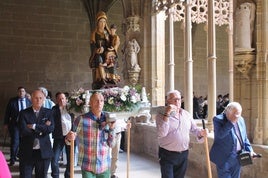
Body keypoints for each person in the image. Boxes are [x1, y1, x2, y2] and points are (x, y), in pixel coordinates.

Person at [155, 90, 207, 178]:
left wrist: (201, 133)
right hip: (167, 154)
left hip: (183, 154)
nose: (177, 101)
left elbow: (194, 129)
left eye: (178, 99)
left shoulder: (186, 115)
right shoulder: (161, 115)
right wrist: (167, 114)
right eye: (174, 99)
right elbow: (161, 133)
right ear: (168, 101)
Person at [66, 92, 116, 178]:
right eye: (96, 100)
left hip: (104, 165)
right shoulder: (81, 119)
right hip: (87, 165)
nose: (99, 103)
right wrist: (69, 138)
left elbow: (111, 144)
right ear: (90, 103)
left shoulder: (108, 120)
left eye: (101, 101)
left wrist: (111, 129)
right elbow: (68, 140)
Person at [210, 102, 257, 178]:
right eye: (235, 114)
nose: (237, 116)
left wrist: (250, 150)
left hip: (238, 157)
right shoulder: (218, 119)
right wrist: (231, 122)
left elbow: (244, 138)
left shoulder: (241, 120)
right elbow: (220, 135)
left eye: (239, 114)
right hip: (224, 158)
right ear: (228, 112)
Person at [18, 89, 54, 178]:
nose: (38, 100)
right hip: (27, 151)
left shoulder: (49, 112)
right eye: (36, 98)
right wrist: (42, 129)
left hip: (43, 152)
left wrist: (34, 126)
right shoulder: (24, 113)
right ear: (31, 99)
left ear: (44, 99)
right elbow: (23, 130)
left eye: (40, 98)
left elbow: (50, 128)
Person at [3, 86, 32, 166]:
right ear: (17, 92)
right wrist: (6, 123)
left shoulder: (28, 101)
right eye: (19, 91)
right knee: (15, 142)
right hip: (15, 124)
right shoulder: (12, 101)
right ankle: (12, 159)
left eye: (23, 91)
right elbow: (7, 113)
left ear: (25, 92)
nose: (21, 93)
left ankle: (21, 157)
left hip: (25, 125)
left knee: (24, 142)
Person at [51, 92, 74, 178]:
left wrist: (73, 132)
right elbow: (50, 118)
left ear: (66, 99)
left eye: (63, 98)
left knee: (70, 159)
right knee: (54, 159)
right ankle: (55, 175)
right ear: (56, 100)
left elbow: (75, 121)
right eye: (59, 99)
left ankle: (68, 175)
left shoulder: (71, 108)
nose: (61, 100)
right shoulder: (54, 109)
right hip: (59, 137)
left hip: (70, 137)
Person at [89, 11, 111, 89]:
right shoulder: (94, 33)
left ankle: (108, 78)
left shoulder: (107, 33)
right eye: (101, 22)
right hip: (98, 53)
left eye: (104, 22)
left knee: (108, 58)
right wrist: (97, 49)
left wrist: (104, 48)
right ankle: (102, 79)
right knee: (99, 58)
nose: (102, 24)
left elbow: (110, 44)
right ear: (98, 23)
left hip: (106, 53)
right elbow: (92, 45)